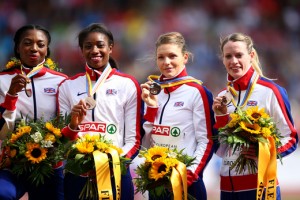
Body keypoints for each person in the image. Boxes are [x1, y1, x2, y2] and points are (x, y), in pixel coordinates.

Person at [57, 23, 141, 200]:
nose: (94, 50)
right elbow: (61, 139)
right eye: (88, 46)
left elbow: (134, 139)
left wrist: (114, 163)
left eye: (100, 45)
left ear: (111, 48)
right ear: (81, 50)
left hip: (115, 171)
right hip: (77, 173)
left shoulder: (127, 84)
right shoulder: (67, 86)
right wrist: (73, 124)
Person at [212, 32, 298, 200]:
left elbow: (291, 138)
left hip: (261, 187)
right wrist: (221, 117)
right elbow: (220, 149)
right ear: (223, 60)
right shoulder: (222, 96)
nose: (233, 61)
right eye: (228, 56)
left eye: (239, 55)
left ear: (251, 56)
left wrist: (264, 151)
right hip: (228, 188)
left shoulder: (271, 91)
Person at [140, 32, 216, 200]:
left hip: (187, 182)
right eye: (161, 57)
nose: (166, 62)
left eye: (172, 56)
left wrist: (190, 173)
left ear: (185, 57)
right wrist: (151, 110)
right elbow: (145, 145)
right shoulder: (150, 92)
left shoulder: (197, 92)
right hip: (156, 182)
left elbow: (208, 140)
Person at [0, 24, 67, 200]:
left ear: (47, 49)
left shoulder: (61, 81)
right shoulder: (2, 80)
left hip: (50, 164)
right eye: (27, 43)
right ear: (17, 47)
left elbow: (67, 123)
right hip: (12, 163)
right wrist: (11, 94)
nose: (34, 48)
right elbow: (0, 129)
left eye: (40, 44)